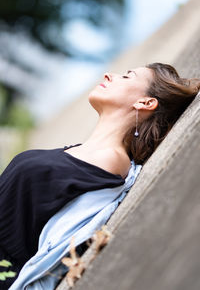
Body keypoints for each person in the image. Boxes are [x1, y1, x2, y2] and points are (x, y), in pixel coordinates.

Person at [0, 62, 199, 289]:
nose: (109, 75)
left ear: (145, 102)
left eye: (127, 76)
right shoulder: (84, 153)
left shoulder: (109, 161)